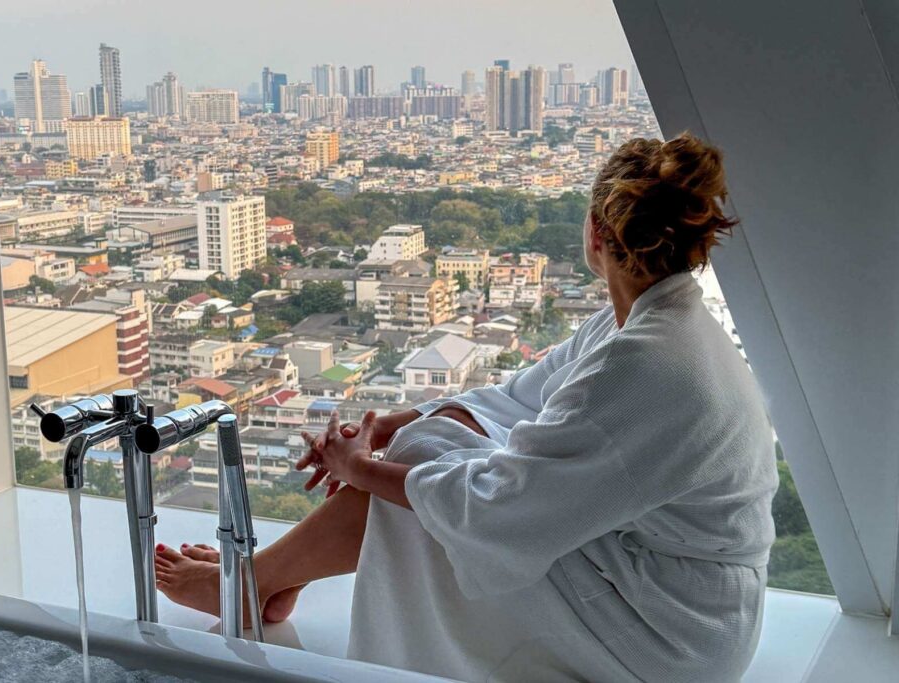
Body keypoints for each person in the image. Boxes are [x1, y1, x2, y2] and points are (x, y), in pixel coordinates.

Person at [154, 132, 779, 683]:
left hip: (671, 639)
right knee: (434, 434)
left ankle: (259, 582)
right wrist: (391, 423)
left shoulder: (646, 366)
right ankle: (266, 577)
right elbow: (511, 402)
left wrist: (359, 468)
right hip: (678, 599)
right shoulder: (651, 329)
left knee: (429, 456)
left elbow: (497, 510)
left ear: (593, 233)